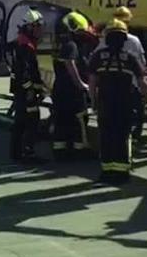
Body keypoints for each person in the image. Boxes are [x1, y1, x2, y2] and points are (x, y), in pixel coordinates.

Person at [88, 19, 146, 183]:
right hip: (124, 103)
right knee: (122, 135)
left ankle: (107, 171)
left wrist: (93, 100)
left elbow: (92, 82)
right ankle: (121, 171)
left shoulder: (98, 56)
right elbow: (142, 82)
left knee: (106, 136)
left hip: (105, 103)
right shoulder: (130, 58)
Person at [10, 9, 49, 161]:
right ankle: (28, 153)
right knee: (31, 120)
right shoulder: (26, 46)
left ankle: (16, 154)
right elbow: (25, 72)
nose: (40, 30)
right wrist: (31, 90)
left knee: (20, 122)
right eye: (37, 26)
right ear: (30, 27)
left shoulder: (21, 42)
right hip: (26, 92)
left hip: (21, 91)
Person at [51, 12, 90, 159]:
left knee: (61, 120)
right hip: (72, 92)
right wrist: (81, 84)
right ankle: (80, 149)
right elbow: (70, 63)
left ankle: (60, 151)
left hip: (59, 89)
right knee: (79, 119)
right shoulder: (71, 46)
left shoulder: (59, 45)